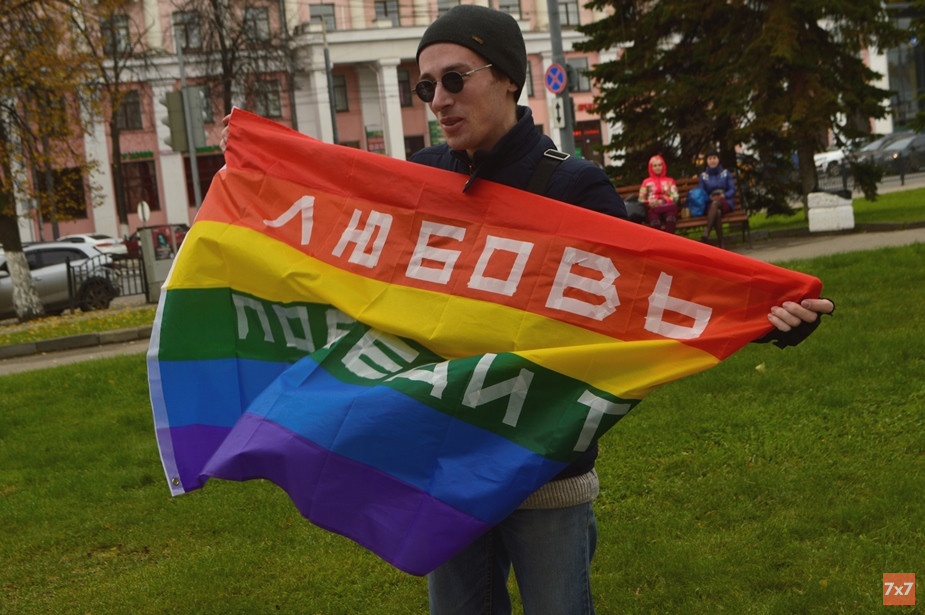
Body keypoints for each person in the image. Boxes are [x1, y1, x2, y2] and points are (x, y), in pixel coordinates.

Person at [220, 7, 834, 612]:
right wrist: (259, 162)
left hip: (545, 472)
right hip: (445, 465)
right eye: (426, 87)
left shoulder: (573, 187)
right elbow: (336, 223)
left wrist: (764, 317)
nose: (439, 100)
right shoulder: (420, 179)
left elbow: (649, 293)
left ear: (508, 78)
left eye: (454, 79)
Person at [698, 150, 736, 248]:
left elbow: (732, 189)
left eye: (714, 158)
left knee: (716, 204)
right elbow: (702, 192)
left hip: (725, 201)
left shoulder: (726, 173)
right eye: (710, 159)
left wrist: (724, 195)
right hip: (710, 203)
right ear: (706, 161)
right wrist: (709, 197)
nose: (712, 161)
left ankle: (707, 231)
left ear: (718, 159)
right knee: (717, 212)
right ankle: (721, 243)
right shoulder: (703, 176)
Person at [639, 154, 679, 233]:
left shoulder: (670, 181)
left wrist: (663, 201)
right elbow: (641, 199)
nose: (658, 167)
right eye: (655, 165)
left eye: (660, 165)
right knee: (655, 222)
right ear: (651, 167)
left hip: (667, 208)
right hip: (652, 209)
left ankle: (668, 240)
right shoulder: (646, 182)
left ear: (663, 166)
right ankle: (659, 241)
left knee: (670, 219)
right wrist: (649, 203)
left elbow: (675, 197)